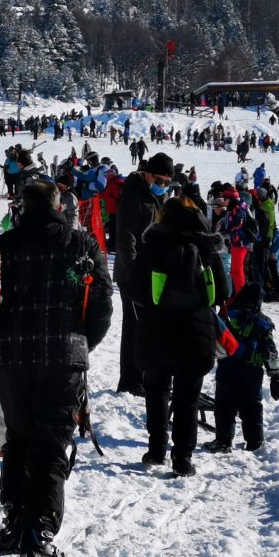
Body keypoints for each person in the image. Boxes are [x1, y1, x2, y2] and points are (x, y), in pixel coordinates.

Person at [0, 180, 113, 557]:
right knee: (51, 443)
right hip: (63, 357)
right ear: (59, 206)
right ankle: (39, 528)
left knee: (18, 438)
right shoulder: (82, 245)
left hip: (12, 358)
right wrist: (81, 343)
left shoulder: (2, 247)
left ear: (21, 207)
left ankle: (15, 520)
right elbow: (102, 302)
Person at [128, 196, 230, 477]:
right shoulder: (207, 247)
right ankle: (183, 458)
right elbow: (223, 291)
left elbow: (135, 289)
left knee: (156, 390)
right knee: (188, 397)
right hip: (196, 331)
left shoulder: (153, 244)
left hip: (156, 328)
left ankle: (156, 449)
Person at [113, 152, 174, 395]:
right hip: (132, 272)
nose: (163, 186)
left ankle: (143, 375)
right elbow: (125, 237)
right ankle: (130, 379)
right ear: (148, 173)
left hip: (151, 270)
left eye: (167, 182)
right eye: (159, 180)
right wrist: (132, 273)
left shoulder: (156, 196)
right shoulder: (133, 193)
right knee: (133, 325)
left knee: (146, 325)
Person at [204, 283, 279, 453]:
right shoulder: (262, 322)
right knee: (252, 406)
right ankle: (255, 442)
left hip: (227, 367)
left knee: (224, 405)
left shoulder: (227, 315)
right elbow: (270, 351)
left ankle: (224, 441)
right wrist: (276, 375)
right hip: (252, 370)